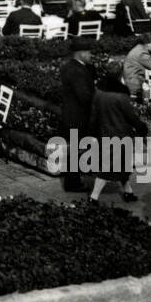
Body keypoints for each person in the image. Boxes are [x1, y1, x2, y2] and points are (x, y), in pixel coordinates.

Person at [88, 86, 148, 203]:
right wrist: (141, 128)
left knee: (122, 166)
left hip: (105, 134)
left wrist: (92, 134)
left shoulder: (98, 93)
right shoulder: (121, 97)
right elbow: (131, 117)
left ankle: (128, 192)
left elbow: (94, 116)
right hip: (120, 136)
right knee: (109, 169)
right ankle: (93, 197)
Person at [58, 39, 97, 193]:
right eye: (88, 52)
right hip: (77, 116)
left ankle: (74, 177)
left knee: (75, 148)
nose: (91, 55)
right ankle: (72, 183)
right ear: (80, 53)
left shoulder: (69, 66)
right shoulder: (78, 72)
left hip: (70, 113)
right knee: (75, 150)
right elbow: (85, 96)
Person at [121, 32, 151, 99]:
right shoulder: (142, 54)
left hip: (128, 79)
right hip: (134, 85)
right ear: (147, 44)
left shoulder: (139, 47)